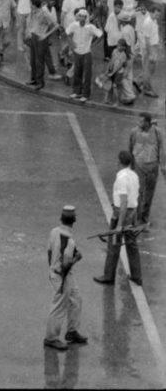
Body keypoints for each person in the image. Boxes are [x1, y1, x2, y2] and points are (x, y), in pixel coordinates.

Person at [93, 149, 142, 286]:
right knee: (132, 245)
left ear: (119, 162)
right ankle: (137, 275)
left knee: (114, 244)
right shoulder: (134, 175)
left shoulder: (121, 178)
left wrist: (120, 224)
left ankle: (109, 275)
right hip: (133, 213)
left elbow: (124, 202)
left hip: (122, 213)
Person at [44, 205, 87, 351]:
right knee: (59, 306)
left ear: (61, 219)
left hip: (56, 272)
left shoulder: (54, 231)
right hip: (63, 275)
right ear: (74, 221)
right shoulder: (69, 241)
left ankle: (72, 331)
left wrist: (52, 268)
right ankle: (51, 338)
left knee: (76, 299)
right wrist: (77, 258)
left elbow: (50, 252)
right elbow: (67, 263)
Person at [128, 112, 165, 226]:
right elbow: (130, 147)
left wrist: (163, 166)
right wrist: (130, 166)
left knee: (149, 194)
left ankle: (144, 218)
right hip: (139, 166)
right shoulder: (134, 132)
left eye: (142, 121)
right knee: (138, 193)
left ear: (148, 122)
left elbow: (162, 150)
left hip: (152, 167)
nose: (139, 123)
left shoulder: (157, 132)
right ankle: (136, 218)